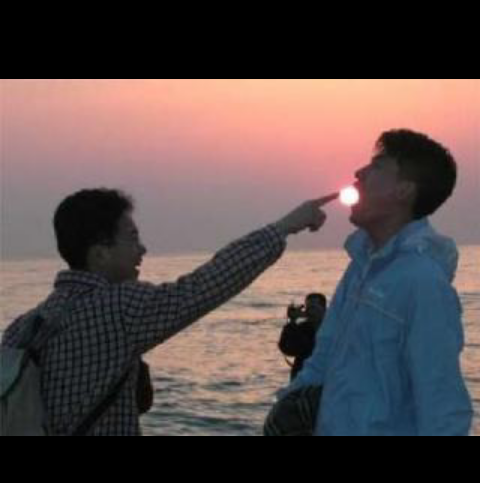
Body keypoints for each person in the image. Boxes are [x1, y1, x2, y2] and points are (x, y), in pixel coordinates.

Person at [1, 188, 335, 436]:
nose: (142, 248)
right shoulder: (118, 307)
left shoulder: (23, 327)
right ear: (100, 253)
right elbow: (207, 284)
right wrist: (284, 227)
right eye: (132, 237)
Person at [281, 129, 473, 437]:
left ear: (403, 191)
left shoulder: (423, 283)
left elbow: (441, 406)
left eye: (378, 166)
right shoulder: (361, 268)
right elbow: (324, 357)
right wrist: (286, 406)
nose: (359, 173)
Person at [279, 294, 327, 381]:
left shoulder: (332, 328)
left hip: (325, 377)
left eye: (313, 308)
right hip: (302, 377)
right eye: (308, 308)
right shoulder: (302, 328)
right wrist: (292, 321)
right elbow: (287, 348)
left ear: (324, 309)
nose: (310, 312)